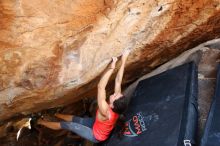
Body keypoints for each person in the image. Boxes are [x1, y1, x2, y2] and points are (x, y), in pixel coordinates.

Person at [37, 50, 130, 143]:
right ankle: (56, 114)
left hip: (95, 135)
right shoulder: (117, 106)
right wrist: (124, 59)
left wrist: (111, 68)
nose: (114, 94)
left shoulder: (105, 110)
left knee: (67, 125)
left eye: (115, 96)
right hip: (97, 124)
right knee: (77, 119)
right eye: (117, 94)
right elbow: (118, 81)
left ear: (112, 106)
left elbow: (101, 87)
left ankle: (40, 122)